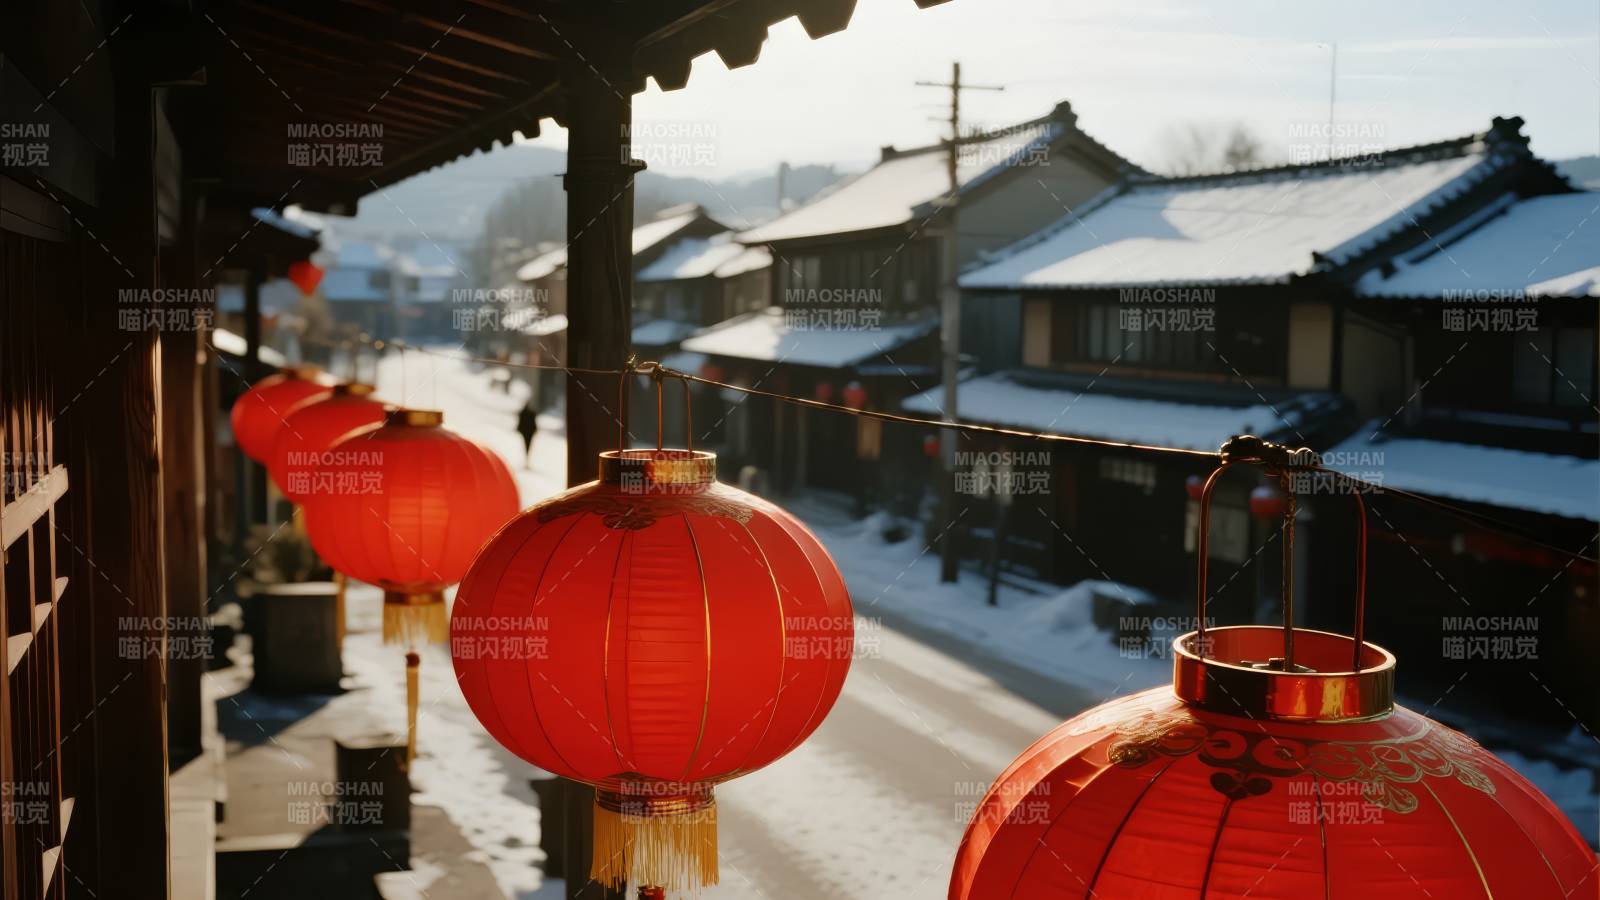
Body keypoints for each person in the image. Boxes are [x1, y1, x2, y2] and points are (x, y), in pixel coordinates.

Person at [516, 400, 539, 468]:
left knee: (527, 445)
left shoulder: (530, 413)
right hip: (527, 432)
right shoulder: (527, 413)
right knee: (527, 445)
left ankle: (527, 458)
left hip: (528, 432)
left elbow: (534, 424)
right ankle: (526, 458)